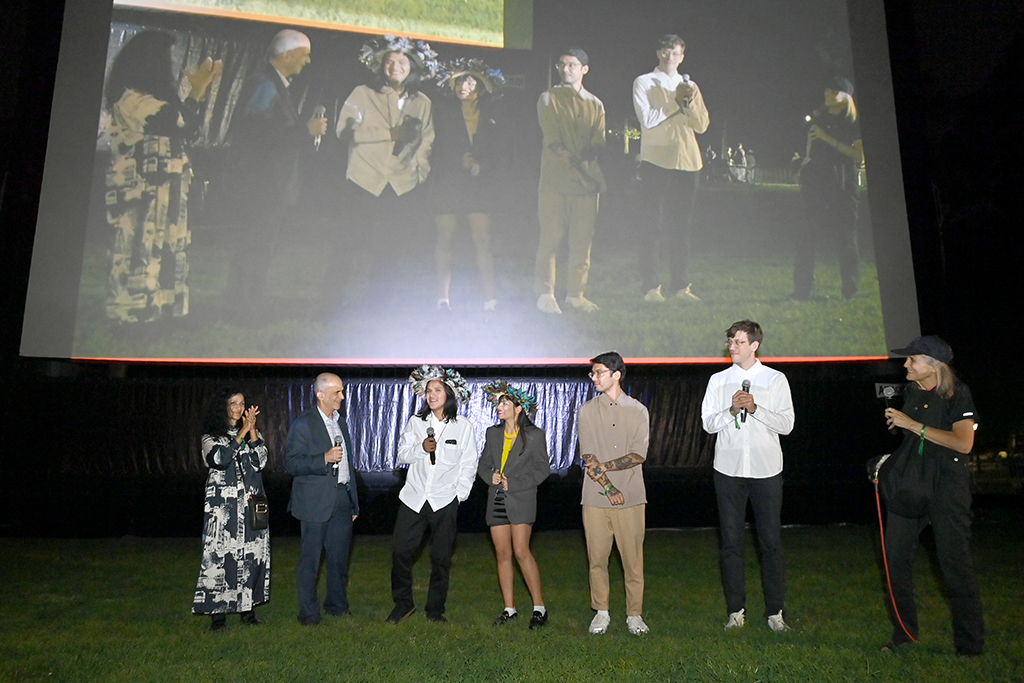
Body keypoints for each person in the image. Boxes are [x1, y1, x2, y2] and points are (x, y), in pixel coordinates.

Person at [102, 30, 221, 326]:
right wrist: (195, 89)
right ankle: (130, 317)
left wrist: (197, 91)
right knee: (137, 252)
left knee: (167, 249)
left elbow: (189, 129)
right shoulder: (128, 97)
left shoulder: (157, 98)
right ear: (148, 61)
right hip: (139, 192)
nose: (171, 65)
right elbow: (173, 122)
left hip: (168, 193)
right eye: (166, 59)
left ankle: (162, 312)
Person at [881, 336, 984, 656]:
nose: (906, 365)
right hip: (913, 486)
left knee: (955, 566)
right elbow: (912, 444)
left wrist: (912, 425)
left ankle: (970, 646)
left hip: (946, 489)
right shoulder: (911, 391)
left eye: (912, 360)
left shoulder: (958, 394)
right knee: (895, 561)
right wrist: (887, 464)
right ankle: (904, 636)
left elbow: (963, 443)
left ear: (933, 365)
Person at [700, 320, 795, 632]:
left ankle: (775, 613)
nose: (732, 346)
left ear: (755, 345)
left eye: (739, 341)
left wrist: (755, 408)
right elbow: (708, 424)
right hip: (728, 470)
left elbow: (787, 425)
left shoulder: (775, 379)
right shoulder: (718, 380)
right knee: (731, 543)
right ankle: (736, 611)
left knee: (770, 542)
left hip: (766, 470)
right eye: (730, 341)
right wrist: (730, 411)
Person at [225, 29, 326, 319]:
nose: (307, 61)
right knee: (254, 248)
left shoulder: (274, 84)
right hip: (262, 186)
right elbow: (255, 133)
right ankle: (243, 311)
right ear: (287, 55)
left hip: (268, 186)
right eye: (304, 55)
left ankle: (246, 306)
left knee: (258, 248)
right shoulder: (265, 84)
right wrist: (304, 131)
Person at [336, 35, 438, 277]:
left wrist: (419, 171)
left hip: (400, 185)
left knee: (390, 249)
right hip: (364, 180)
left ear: (412, 65)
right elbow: (344, 131)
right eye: (389, 62)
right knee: (346, 245)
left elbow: (427, 139)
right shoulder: (363, 93)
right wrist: (387, 133)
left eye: (402, 62)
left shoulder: (422, 102)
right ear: (381, 65)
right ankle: (329, 304)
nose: (396, 67)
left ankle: (379, 305)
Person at [388, 365, 478, 624]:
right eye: (428, 390)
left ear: (448, 394)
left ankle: (435, 610)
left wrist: (459, 496)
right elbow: (402, 454)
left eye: (437, 390)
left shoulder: (463, 427)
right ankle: (403, 604)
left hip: (444, 501)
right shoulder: (416, 423)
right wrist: (421, 447)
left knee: (440, 558)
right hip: (413, 498)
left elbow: (469, 463)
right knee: (400, 551)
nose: (431, 394)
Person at [632, 34, 709, 304]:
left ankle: (681, 286)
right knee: (651, 225)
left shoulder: (689, 86)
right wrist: (675, 101)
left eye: (675, 52)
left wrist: (689, 103)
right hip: (656, 161)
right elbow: (649, 119)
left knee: (681, 227)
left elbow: (701, 125)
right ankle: (651, 287)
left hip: (688, 162)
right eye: (666, 51)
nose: (670, 56)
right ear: (658, 53)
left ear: (682, 56)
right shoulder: (644, 82)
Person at [578, 352, 650, 635]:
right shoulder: (586, 411)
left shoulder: (637, 411)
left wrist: (616, 484)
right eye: (592, 373)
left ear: (616, 374)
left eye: (598, 372)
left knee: (632, 560)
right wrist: (609, 487)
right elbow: (589, 456)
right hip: (595, 497)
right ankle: (602, 611)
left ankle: (634, 614)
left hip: (631, 497)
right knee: (597, 558)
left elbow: (637, 455)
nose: (593, 377)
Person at [533, 47, 607, 314]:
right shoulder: (548, 98)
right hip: (555, 182)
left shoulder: (596, 104)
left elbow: (597, 143)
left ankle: (576, 294)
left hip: (587, 186)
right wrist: (580, 173)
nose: (566, 69)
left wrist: (589, 175)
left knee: (582, 241)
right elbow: (553, 141)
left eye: (572, 65)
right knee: (551, 237)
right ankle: (545, 293)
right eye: (562, 65)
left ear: (584, 69)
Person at [285, 372, 360, 626]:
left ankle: (337, 606)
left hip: (340, 498)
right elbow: (292, 463)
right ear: (320, 395)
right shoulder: (303, 424)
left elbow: (349, 466)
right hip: (313, 501)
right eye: (336, 392)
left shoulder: (342, 423)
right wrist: (323, 459)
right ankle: (309, 613)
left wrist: (352, 502)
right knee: (311, 560)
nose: (341, 396)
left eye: (341, 391)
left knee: (339, 559)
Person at [192, 388, 269, 632]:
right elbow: (219, 459)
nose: (238, 407)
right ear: (222, 406)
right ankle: (218, 616)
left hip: (249, 506)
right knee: (221, 556)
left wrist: (252, 429)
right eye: (233, 403)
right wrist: (243, 433)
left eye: (242, 403)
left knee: (250, 556)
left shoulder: (249, 433)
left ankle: (247, 611)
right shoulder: (211, 436)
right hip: (223, 509)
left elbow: (261, 461)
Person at [431, 60, 505, 311]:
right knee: (445, 238)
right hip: (448, 181)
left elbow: (501, 153)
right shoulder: (441, 113)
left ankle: (491, 301)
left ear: (481, 88)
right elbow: (433, 148)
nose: (464, 86)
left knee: (483, 240)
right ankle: (442, 300)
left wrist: (482, 166)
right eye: (460, 81)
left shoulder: (492, 118)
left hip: (478, 185)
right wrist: (456, 160)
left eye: (471, 81)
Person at [478, 380, 551, 628]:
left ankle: (539, 608)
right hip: (497, 500)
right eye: (498, 403)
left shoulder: (535, 435)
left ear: (518, 408)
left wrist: (515, 482)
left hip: (521, 499)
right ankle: (509, 609)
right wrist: (491, 477)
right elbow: (483, 464)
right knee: (502, 553)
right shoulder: (492, 433)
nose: (499, 406)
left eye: (505, 402)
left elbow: (543, 469)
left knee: (521, 551)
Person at [794, 77, 863, 301]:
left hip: (843, 183)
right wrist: (804, 161)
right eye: (826, 88)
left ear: (845, 96)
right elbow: (811, 144)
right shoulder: (820, 117)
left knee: (845, 237)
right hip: (816, 180)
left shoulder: (853, 122)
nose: (827, 92)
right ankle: (802, 292)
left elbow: (858, 155)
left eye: (834, 90)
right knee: (807, 235)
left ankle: (850, 293)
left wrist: (828, 138)